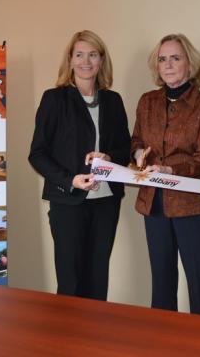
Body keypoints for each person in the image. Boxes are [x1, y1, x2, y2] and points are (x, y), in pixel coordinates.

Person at [28, 30, 130, 300]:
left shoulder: (113, 100)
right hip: (68, 201)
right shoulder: (54, 99)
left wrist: (108, 158)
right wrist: (70, 179)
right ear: (70, 60)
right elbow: (37, 153)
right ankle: (67, 341)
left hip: (106, 200)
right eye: (80, 55)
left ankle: (93, 341)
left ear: (101, 60)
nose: (86, 61)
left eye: (93, 55)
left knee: (98, 279)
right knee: (71, 281)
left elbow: (125, 149)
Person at [131, 33, 200, 316]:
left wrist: (171, 170)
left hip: (193, 207)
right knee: (162, 288)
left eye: (176, 58)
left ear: (189, 64)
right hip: (154, 205)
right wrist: (137, 155)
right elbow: (135, 141)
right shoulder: (147, 102)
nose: (168, 65)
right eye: (162, 59)